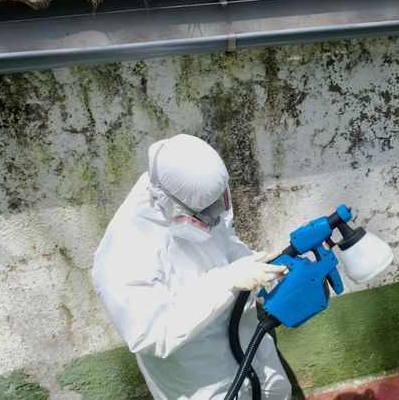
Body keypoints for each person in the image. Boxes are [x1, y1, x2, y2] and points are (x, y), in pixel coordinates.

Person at [92, 134, 292, 400]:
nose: (217, 213)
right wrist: (225, 282)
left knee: (277, 392)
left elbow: (223, 237)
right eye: (206, 212)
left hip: (248, 341)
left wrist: (255, 265)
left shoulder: (201, 190)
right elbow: (149, 333)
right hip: (199, 375)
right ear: (167, 201)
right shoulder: (124, 249)